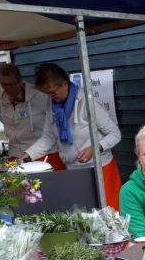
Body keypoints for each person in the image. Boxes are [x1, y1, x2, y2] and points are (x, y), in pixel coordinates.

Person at [22, 63, 122, 209]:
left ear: (64, 83)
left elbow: (115, 134)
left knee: (108, 214)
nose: (50, 97)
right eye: (47, 93)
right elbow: (47, 138)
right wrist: (26, 155)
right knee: (82, 215)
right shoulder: (53, 107)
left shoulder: (87, 103)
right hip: (73, 171)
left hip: (101, 170)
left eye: (52, 92)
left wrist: (95, 148)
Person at [0, 63, 62, 165]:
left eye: (11, 84)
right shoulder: (2, 98)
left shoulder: (40, 95)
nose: (8, 88)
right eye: (4, 84)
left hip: (44, 155)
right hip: (15, 156)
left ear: (20, 81)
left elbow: (54, 125)